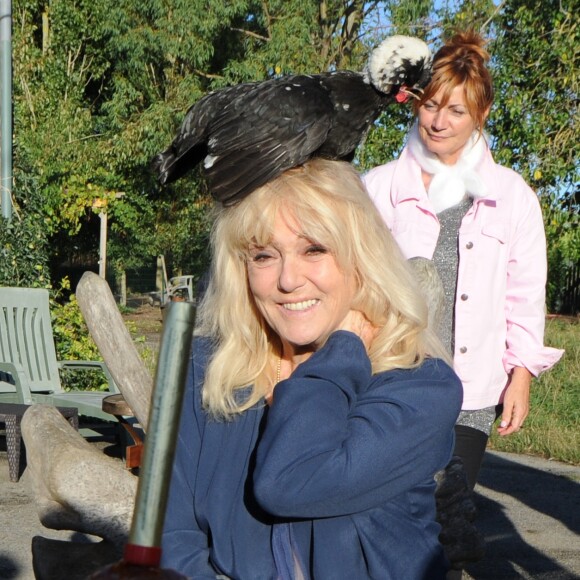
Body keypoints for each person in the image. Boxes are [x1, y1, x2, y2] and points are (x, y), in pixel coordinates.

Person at [161, 157, 463, 579]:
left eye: (314, 249)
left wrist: (342, 353)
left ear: (361, 256)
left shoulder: (419, 387)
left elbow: (289, 481)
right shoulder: (208, 372)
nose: (288, 280)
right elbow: (174, 532)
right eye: (264, 255)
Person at [363, 31, 564, 494]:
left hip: (471, 390)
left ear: (481, 114)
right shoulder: (377, 188)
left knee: (447, 523)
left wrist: (521, 377)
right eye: (431, 105)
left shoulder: (512, 196)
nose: (438, 122)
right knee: (391, 517)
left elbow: (524, 296)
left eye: (455, 111)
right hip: (389, 382)